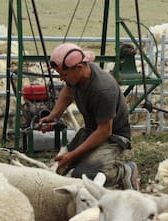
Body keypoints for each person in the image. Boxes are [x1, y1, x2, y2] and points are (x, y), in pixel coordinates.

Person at [39, 42, 139, 190]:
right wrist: (54, 116)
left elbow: (105, 130)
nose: (61, 78)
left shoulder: (103, 89)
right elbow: (68, 91)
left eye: (64, 74)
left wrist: (72, 155)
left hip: (113, 138)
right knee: (61, 168)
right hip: (92, 130)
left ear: (79, 67)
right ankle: (85, 162)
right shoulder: (78, 76)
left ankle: (124, 171)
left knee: (85, 177)